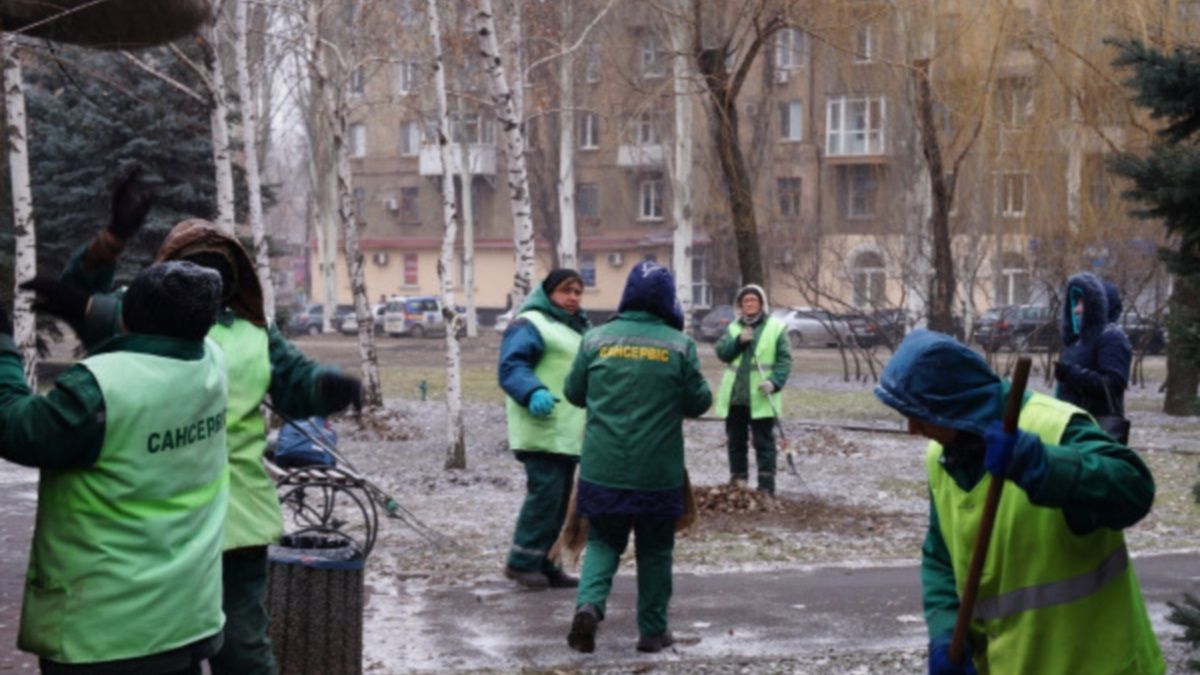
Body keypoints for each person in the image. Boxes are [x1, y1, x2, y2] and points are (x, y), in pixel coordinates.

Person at [24, 172, 364, 675]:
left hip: (207, 525)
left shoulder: (213, 330)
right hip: (181, 524)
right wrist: (110, 241)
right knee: (197, 650)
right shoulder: (153, 317)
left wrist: (326, 388)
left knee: (229, 653)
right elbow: (74, 296)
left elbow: (296, 380)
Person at [874, 329, 1163, 674]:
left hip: (1097, 664)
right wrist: (946, 634)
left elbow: (1133, 488)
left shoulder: (1056, 429)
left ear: (954, 407)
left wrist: (1042, 466)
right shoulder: (942, 457)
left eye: (919, 416)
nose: (911, 429)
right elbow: (941, 557)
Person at [5, 262, 229, 674]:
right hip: (184, 619)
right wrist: (86, 290)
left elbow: (16, 427)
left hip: (105, 635)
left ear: (132, 317)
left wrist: (2, 342)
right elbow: (143, 324)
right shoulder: (212, 362)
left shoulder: (101, 390)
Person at [562, 261, 712, 654]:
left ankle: (590, 607)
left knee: (602, 542)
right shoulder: (679, 345)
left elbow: (574, 392)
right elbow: (700, 402)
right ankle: (652, 631)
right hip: (657, 472)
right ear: (667, 301)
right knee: (656, 550)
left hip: (602, 467)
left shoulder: (595, 339)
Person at [498, 269, 590, 588]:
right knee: (545, 497)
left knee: (561, 501)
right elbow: (512, 365)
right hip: (541, 427)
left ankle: (548, 562)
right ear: (548, 292)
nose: (573, 297)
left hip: (568, 432)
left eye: (579, 291)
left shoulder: (576, 330)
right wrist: (532, 390)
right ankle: (521, 562)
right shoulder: (531, 323)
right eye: (567, 290)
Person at [713, 284, 792, 495]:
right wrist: (738, 342)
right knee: (736, 442)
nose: (749, 304)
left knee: (764, 443)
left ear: (761, 303)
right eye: (745, 301)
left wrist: (775, 382)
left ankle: (766, 486)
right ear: (740, 305)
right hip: (736, 397)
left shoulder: (776, 327)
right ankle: (738, 482)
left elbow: (784, 361)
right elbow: (722, 353)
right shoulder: (733, 328)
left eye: (753, 300)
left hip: (761, 396)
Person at [1054, 272, 1132, 420]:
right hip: (1073, 424)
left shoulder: (1112, 337)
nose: (1076, 309)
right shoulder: (1078, 340)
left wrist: (1073, 374)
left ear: (1099, 304)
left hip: (1095, 428)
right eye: (1075, 303)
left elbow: (1113, 384)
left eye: (1082, 303)